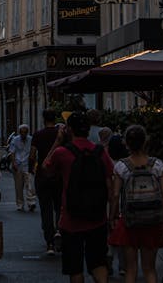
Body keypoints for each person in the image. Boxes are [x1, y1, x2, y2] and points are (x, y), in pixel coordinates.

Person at [43, 111, 113, 283]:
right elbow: (110, 184)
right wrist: (112, 215)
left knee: (75, 267)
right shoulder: (99, 152)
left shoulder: (62, 153)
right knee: (98, 263)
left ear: (69, 129)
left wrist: (58, 141)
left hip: (71, 218)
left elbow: (46, 168)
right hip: (97, 217)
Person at [108, 124, 163, 283]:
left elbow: (115, 194)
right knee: (150, 269)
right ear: (145, 141)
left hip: (130, 220)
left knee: (131, 269)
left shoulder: (121, 166)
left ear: (126, 143)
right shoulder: (157, 165)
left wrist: (112, 216)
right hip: (152, 221)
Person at [29, 109, 62, 255]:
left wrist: (32, 169)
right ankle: (60, 231)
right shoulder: (61, 135)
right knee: (60, 207)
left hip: (43, 176)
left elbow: (32, 155)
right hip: (59, 176)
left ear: (43, 119)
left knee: (46, 209)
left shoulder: (38, 135)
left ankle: (49, 242)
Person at [9, 124, 36, 211]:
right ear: (19, 132)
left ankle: (31, 203)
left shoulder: (31, 139)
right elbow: (12, 152)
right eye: (22, 132)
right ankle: (20, 204)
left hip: (27, 164)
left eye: (25, 132)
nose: (23, 134)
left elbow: (33, 152)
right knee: (19, 186)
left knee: (30, 185)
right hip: (18, 165)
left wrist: (33, 164)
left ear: (27, 132)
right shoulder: (15, 140)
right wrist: (13, 163)